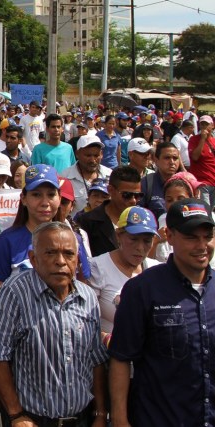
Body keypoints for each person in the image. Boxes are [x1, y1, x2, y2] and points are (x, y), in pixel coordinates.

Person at [0, 222, 108, 427]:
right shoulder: (15, 292)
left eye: (68, 254)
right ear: (33, 258)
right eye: (50, 253)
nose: (60, 261)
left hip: (81, 419)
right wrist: (16, 414)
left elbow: (96, 359)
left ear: (77, 260)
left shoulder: (88, 297)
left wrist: (101, 414)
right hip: (32, 420)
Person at [109, 198, 215, 427]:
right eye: (191, 237)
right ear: (169, 235)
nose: (202, 245)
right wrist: (119, 418)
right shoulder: (142, 289)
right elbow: (121, 358)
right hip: (160, 419)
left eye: (207, 237)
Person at [0, 164, 61, 321]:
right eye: (36, 195)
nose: (45, 202)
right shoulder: (5, 242)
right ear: (23, 199)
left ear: (59, 198)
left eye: (51, 194)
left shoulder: (73, 240)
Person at [88, 206, 160, 335]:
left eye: (147, 241)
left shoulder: (158, 271)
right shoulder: (97, 268)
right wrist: (106, 339)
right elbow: (85, 321)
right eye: (133, 239)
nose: (140, 247)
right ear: (118, 236)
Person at [78, 165, 142, 256]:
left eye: (138, 196)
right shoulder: (87, 221)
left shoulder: (142, 220)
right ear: (110, 190)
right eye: (127, 195)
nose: (133, 200)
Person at [151, 171, 203, 263]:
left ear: (192, 198)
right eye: (169, 200)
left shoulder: (205, 221)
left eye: (181, 199)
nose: (174, 204)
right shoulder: (162, 220)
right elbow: (149, 261)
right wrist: (155, 241)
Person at [60, 134, 113, 216]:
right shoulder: (64, 177)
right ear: (77, 154)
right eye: (88, 155)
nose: (92, 160)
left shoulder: (110, 175)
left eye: (96, 155)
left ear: (101, 154)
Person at [138, 141, 181, 219]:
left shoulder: (185, 184)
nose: (172, 162)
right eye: (167, 158)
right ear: (156, 160)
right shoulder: (146, 184)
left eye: (175, 158)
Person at [188, 115, 215, 208]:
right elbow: (195, 157)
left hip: (213, 182)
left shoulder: (214, 141)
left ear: (212, 125)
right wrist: (202, 139)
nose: (204, 127)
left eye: (206, 124)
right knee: (206, 210)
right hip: (201, 182)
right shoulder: (194, 140)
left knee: (211, 211)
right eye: (202, 124)